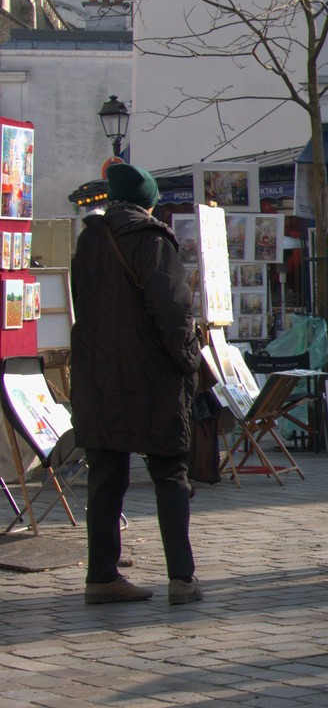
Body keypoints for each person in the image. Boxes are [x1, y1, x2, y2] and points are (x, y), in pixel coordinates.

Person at [70, 162, 202, 606]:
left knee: (106, 476)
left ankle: (101, 576)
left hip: (99, 374)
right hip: (151, 376)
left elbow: (85, 307)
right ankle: (181, 578)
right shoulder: (152, 239)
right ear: (150, 203)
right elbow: (174, 312)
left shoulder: (90, 239)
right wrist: (189, 362)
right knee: (169, 471)